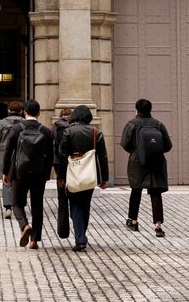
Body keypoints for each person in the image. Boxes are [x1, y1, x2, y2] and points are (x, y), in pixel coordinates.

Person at [2, 100, 53, 250]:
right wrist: (47, 174)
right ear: (39, 113)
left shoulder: (16, 129)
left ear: (24, 112)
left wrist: (6, 172)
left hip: (19, 172)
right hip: (39, 174)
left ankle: (24, 225)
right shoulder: (46, 131)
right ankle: (34, 240)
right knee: (37, 205)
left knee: (17, 203)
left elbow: (7, 151)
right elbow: (50, 155)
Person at [57, 105, 109, 252]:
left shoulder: (68, 131)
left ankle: (80, 239)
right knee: (85, 205)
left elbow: (62, 156)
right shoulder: (95, 132)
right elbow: (103, 157)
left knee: (75, 205)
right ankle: (82, 236)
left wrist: (61, 176)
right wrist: (104, 178)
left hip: (73, 173)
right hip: (89, 174)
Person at [121, 98, 173, 238]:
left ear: (136, 109)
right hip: (156, 162)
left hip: (138, 162)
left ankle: (133, 220)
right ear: (150, 109)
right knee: (156, 193)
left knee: (136, 190)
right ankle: (158, 225)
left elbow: (125, 144)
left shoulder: (131, 124)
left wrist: (138, 151)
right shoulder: (158, 125)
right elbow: (168, 146)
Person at [0, 101, 25, 219]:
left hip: (5, 154)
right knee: (20, 181)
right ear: (21, 111)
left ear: (9, 111)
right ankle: (19, 206)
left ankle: (8, 208)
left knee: (6, 181)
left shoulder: (1, 123)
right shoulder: (25, 123)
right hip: (22, 155)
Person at [53, 108, 72, 236]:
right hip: (73, 164)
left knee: (62, 198)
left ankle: (62, 229)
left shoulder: (54, 128)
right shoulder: (73, 129)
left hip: (58, 164)